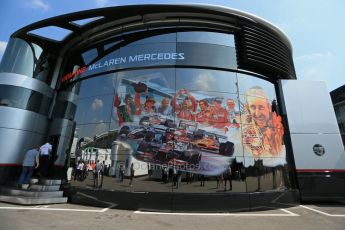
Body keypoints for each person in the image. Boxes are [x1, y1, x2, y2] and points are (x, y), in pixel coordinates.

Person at [242, 86, 285, 157]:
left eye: (261, 107)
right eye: (252, 107)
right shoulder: (247, 133)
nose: (257, 114)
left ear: (269, 107)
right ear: (248, 108)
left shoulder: (278, 125)